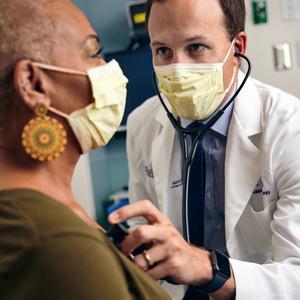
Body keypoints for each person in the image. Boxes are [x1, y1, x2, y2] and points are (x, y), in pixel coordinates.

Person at [108, 0, 300, 299]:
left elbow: (296, 275)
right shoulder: (142, 123)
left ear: (237, 47)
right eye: (163, 51)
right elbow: (144, 230)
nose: (178, 68)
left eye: (195, 47)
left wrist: (208, 269)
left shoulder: (290, 127)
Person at [0, 1, 171, 299]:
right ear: (33, 83)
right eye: (92, 53)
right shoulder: (55, 242)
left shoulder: (48, 219)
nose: (109, 69)